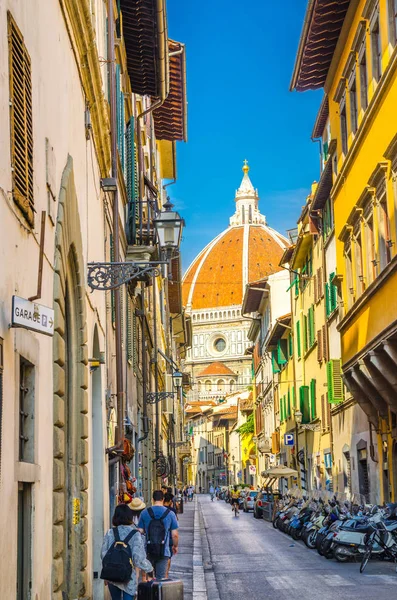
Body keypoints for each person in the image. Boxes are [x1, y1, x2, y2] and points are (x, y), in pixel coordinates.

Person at [101, 504, 154, 600]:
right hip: (129, 577)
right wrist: (149, 569)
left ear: (115, 517)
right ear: (130, 517)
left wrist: (105, 571)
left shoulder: (110, 532)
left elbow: (103, 554)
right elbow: (138, 558)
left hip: (112, 575)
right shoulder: (135, 534)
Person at [138, 490, 179, 580]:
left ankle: (149, 593)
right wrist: (175, 546)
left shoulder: (144, 513)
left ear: (152, 499)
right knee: (161, 579)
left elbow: (140, 531)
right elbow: (175, 535)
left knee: (149, 578)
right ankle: (158, 593)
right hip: (163, 551)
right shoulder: (170, 514)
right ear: (163, 499)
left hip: (148, 550)